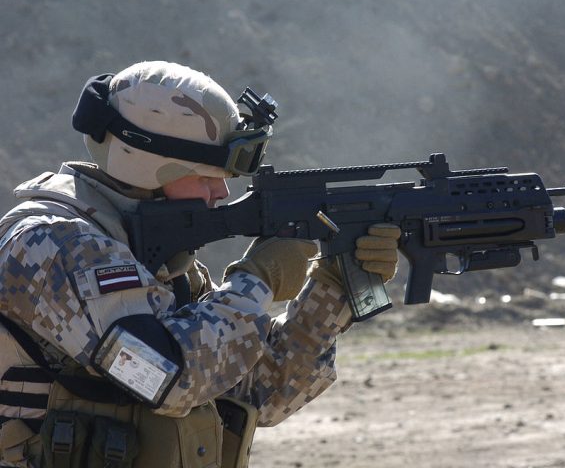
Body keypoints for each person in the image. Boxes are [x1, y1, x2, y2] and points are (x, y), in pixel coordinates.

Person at [0, 61, 401, 468]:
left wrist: (332, 287)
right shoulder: (50, 245)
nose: (221, 192)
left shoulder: (159, 261)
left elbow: (262, 390)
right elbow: (167, 380)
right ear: (149, 165)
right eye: (207, 176)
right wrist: (257, 281)